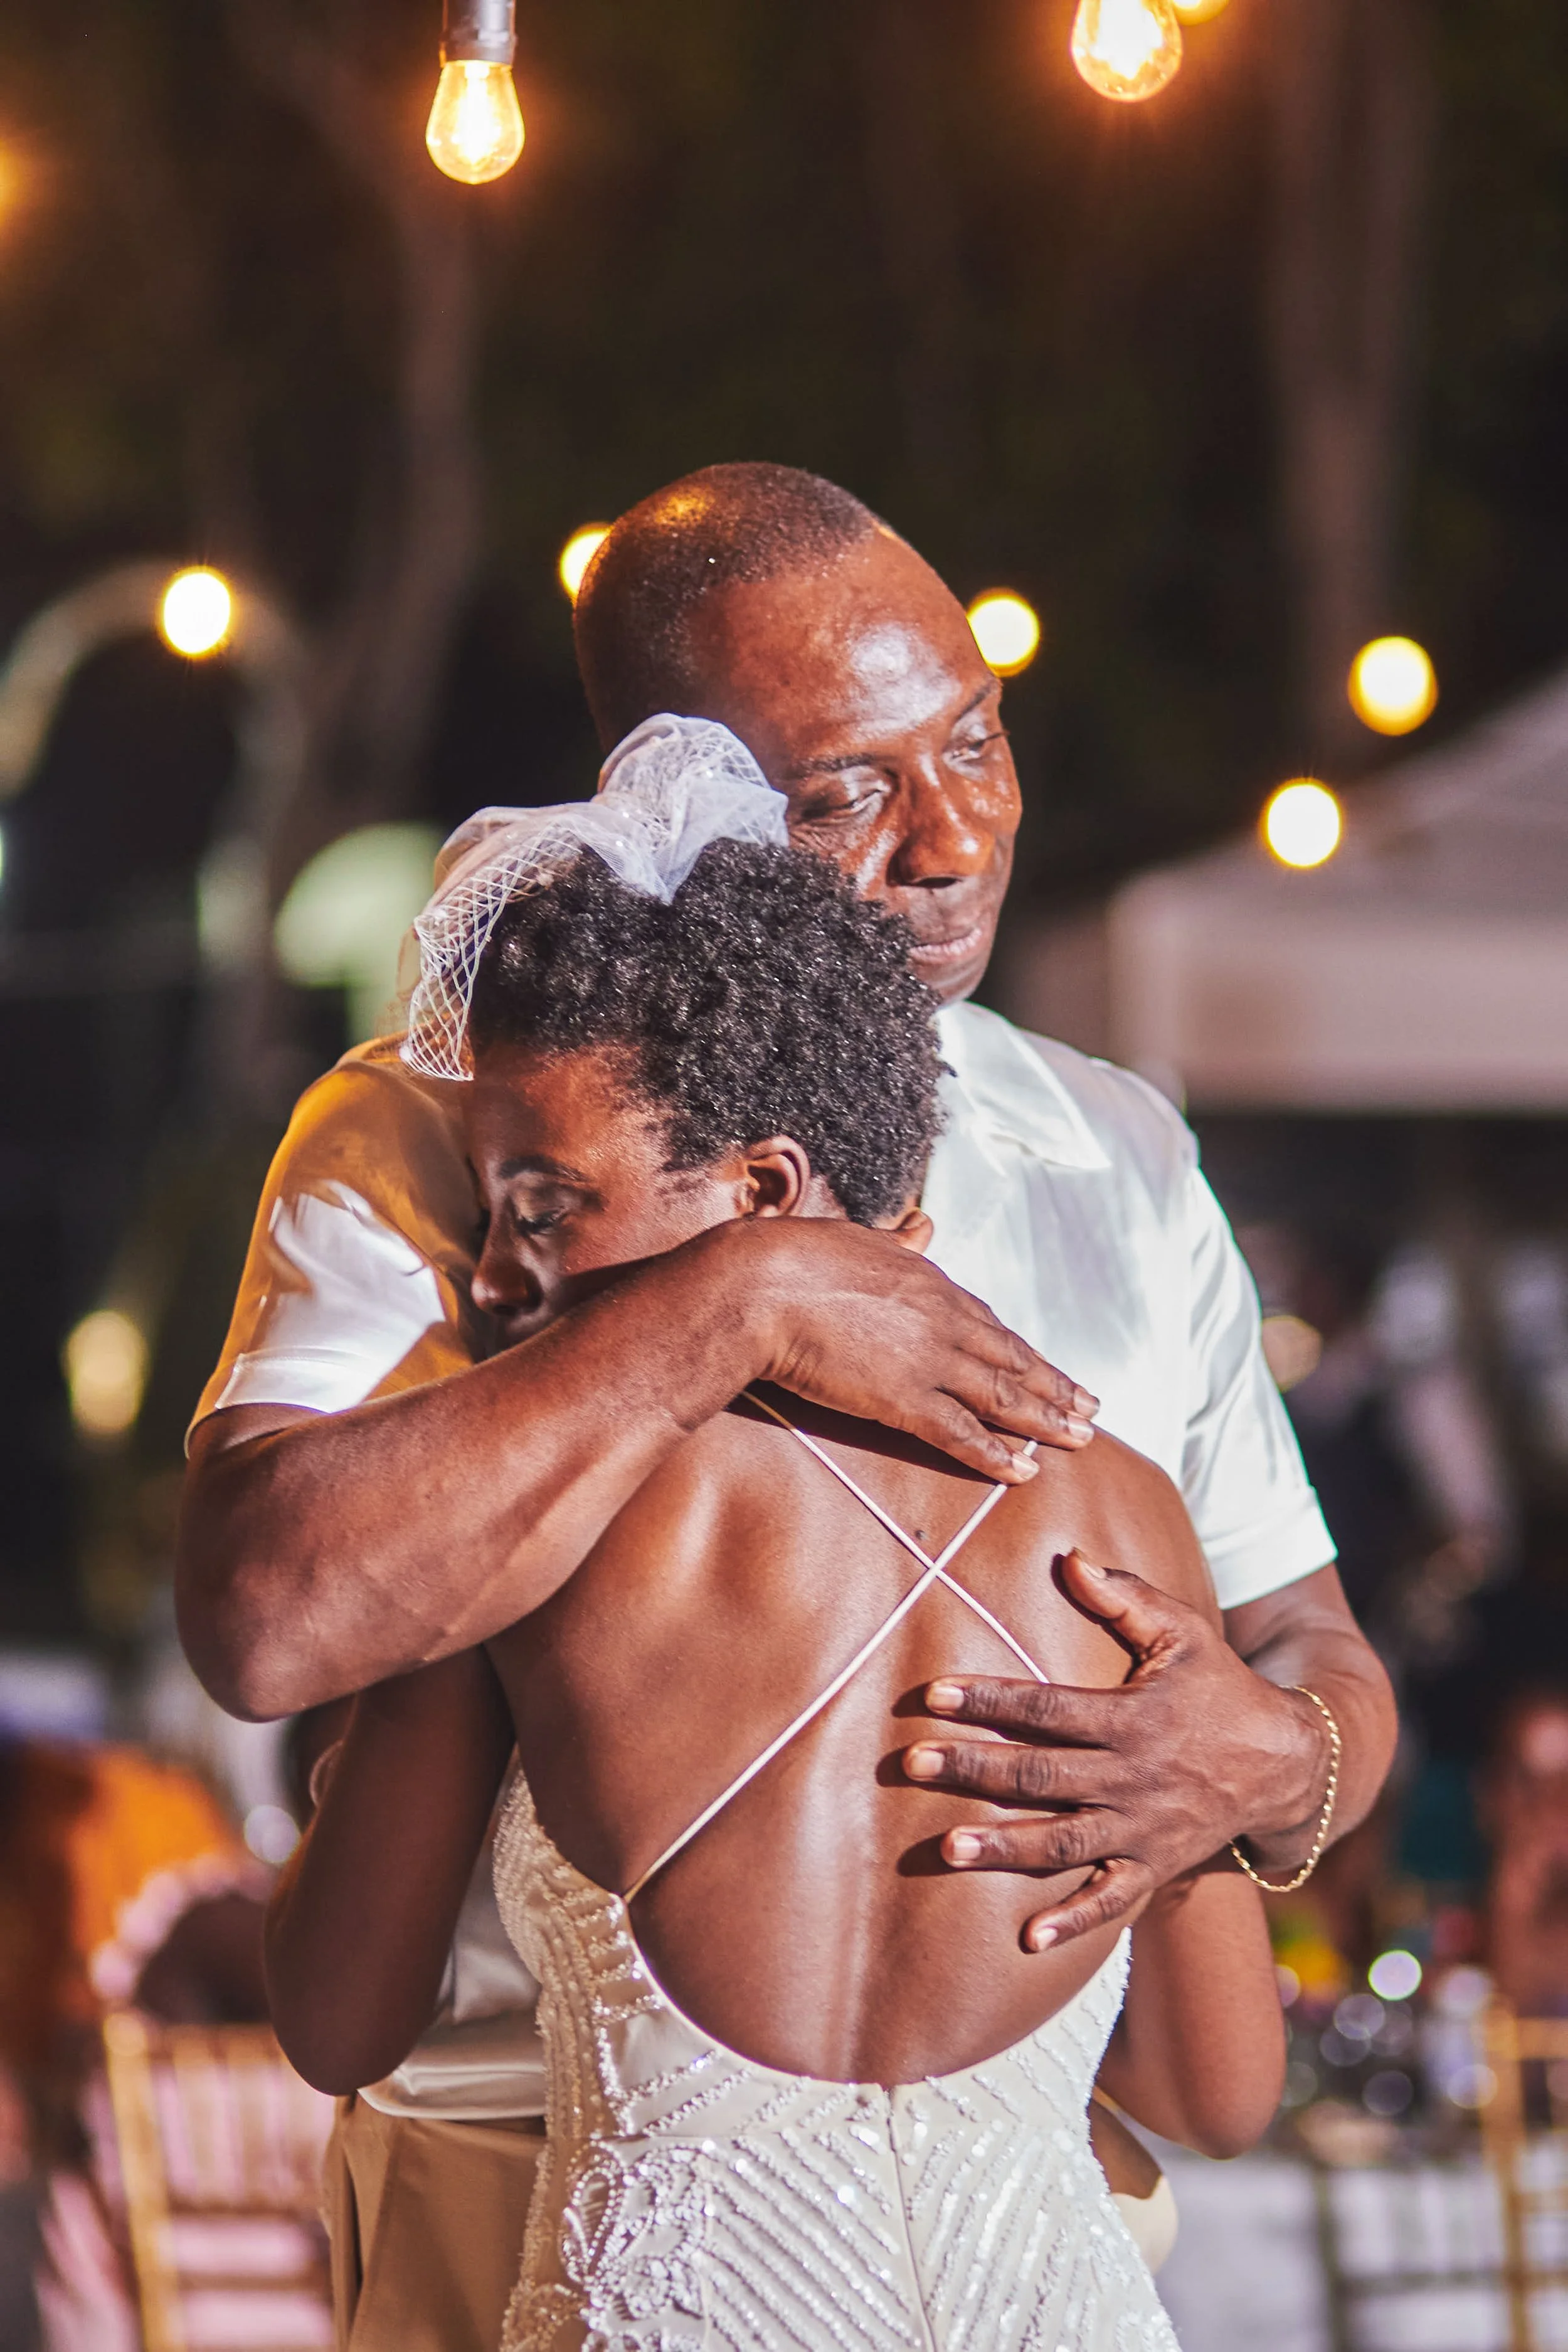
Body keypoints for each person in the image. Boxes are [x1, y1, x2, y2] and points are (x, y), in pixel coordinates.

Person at [176, 465, 1395, 2348]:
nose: (951, 834)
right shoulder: (451, 1119)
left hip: (1039, 2203)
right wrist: (725, 1305)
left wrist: (1270, 1769)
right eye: (847, 789)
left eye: (975, 740)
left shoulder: (1112, 1150)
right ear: (684, 803)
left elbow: (1301, 1644)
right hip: (514, 2182)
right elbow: (263, 1611)